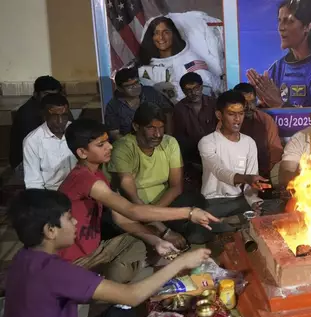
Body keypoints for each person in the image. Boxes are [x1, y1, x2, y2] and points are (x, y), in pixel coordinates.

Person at [3, 188, 213, 317]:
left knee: (120, 313)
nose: (75, 222)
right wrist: (182, 261)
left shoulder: (24, 259)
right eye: (69, 218)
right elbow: (132, 295)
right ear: (50, 230)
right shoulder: (53, 272)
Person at [59, 118, 218, 283]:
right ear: (82, 152)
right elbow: (132, 211)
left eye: (107, 141)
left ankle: (113, 276)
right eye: (101, 145)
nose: (110, 147)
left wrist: (156, 240)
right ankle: (103, 285)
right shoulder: (82, 178)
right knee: (131, 265)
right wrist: (188, 212)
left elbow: (120, 217)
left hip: (96, 250)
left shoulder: (96, 174)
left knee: (145, 240)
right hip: (74, 261)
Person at [108, 102, 209, 247]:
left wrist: (155, 213)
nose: (158, 134)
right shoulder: (123, 148)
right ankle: (156, 232)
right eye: (151, 128)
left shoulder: (170, 143)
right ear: (136, 127)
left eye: (161, 127)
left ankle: (157, 229)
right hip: (133, 208)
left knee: (196, 199)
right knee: (122, 217)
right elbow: (132, 197)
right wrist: (164, 230)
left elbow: (176, 187)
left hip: (162, 204)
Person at [199, 91, 281, 232]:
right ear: (219, 115)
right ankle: (236, 222)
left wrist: (255, 202)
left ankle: (237, 221)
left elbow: (250, 185)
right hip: (214, 201)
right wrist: (247, 179)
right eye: (231, 114)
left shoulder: (249, 142)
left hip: (240, 200)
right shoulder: (207, 142)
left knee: (276, 208)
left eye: (241, 113)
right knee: (199, 232)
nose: (237, 119)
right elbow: (221, 172)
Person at [246, 0, 311, 108]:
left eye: (289, 21)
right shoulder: (278, 68)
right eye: (280, 21)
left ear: (307, 26)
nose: (281, 28)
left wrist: (279, 104)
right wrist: (260, 105)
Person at [138, 16, 217, 103]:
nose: (161, 37)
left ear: (173, 34)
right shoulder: (145, 64)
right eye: (156, 33)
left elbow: (204, 92)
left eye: (166, 32)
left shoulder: (190, 61)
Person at [23, 93, 76, 190]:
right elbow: (33, 182)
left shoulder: (76, 131)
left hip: (78, 188)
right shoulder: (32, 141)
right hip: (51, 194)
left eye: (64, 116)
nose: (60, 121)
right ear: (44, 115)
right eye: (54, 116)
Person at [9, 75, 63, 169]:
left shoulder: (55, 106)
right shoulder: (28, 115)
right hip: (25, 164)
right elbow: (36, 148)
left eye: (54, 95)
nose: (50, 98)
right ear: (35, 94)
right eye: (46, 94)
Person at [104, 67, 172, 139]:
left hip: (158, 139)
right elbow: (114, 134)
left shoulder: (151, 93)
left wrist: (168, 136)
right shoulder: (113, 106)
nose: (135, 87)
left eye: (137, 83)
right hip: (130, 145)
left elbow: (168, 113)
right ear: (120, 89)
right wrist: (133, 146)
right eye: (129, 86)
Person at [233, 83, 283, 179]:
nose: (249, 106)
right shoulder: (227, 122)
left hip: (263, 173)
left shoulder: (265, 120)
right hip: (235, 176)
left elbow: (275, 149)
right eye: (244, 103)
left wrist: (267, 173)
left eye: (252, 102)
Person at [173, 72, 218, 179]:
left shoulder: (214, 104)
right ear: (183, 92)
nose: (194, 93)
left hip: (216, 153)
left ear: (202, 87)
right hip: (193, 157)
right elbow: (180, 139)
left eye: (196, 88)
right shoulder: (179, 109)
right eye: (189, 90)